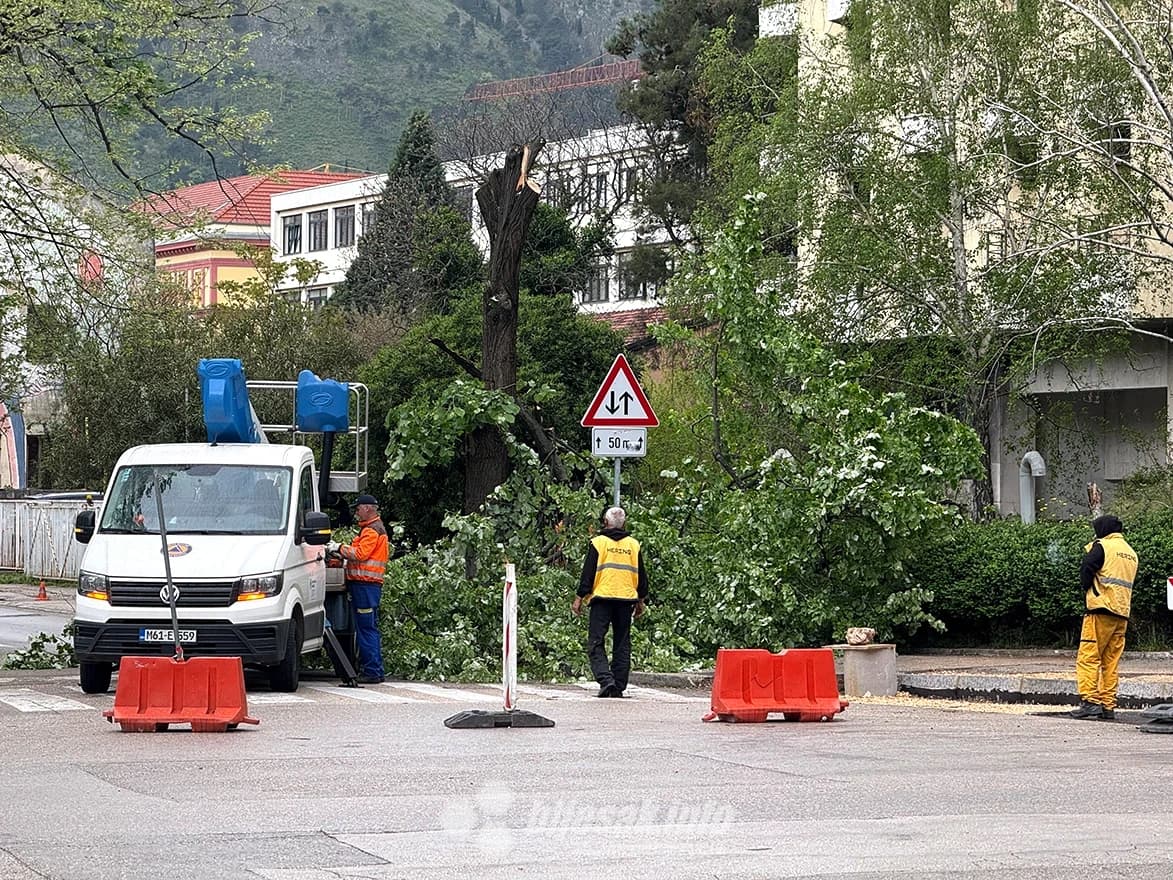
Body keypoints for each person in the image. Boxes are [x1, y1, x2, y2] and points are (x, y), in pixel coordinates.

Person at [572, 506, 648, 697]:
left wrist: (579, 597)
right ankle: (618, 685)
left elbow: (588, 573)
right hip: (626, 600)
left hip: (602, 599)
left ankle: (606, 681)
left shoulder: (598, 543)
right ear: (625, 524)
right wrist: (641, 600)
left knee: (596, 641)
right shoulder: (633, 545)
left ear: (605, 523)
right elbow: (642, 576)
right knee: (622, 643)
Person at [1070, 514, 1137, 720]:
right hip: (1121, 613)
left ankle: (1090, 702)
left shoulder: (1102, 546)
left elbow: (1086, 571)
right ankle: (1108, 705)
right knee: (1111, 660)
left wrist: (1087, 589)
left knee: (1089, 657)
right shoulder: (1130, 553)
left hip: (1100, 610)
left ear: (1102, 529)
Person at [328, 494, 389, 684]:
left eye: (358, 508)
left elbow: (360, 554)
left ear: (368, 508)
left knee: (366, 629)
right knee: (368, 628)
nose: (356, 511)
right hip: (367, 586)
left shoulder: (371, 531)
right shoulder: (370, 530)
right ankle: (374, 669)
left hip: (365, 586)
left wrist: (338, 546)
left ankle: (372, 671)